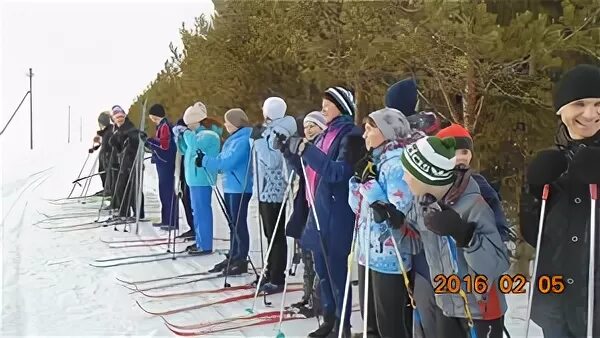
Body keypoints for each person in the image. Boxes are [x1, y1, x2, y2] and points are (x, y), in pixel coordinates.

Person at [394, 136, 509, 338]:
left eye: (408, 173)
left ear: (426, 175)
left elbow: (498, 264)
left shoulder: (473, 204)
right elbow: (412, 245)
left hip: (481, 309)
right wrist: (395, 224)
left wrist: (465, 235)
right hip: (447, 304)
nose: (404, 179)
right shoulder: (423, 203)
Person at [520, 64, 600, 337]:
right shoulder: (550, 162)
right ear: (561, 109)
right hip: (556, 305)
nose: (590, 114)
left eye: (599, 104)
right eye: (580, 103)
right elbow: (534, 235)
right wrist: (533, 190)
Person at [279, 86, 366, 338]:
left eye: (328, 103)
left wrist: (307, 150)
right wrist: (290, 152)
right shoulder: (325, 135)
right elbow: (308, 171)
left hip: (337, 215)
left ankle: (343, 325)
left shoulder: (350, 135)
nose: (323, 108)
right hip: (318, 212)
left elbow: (338, 172)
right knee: (323, 273)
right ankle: (329, 319)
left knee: (337, 273)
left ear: (341, 105)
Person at [348, 107, 422, 338]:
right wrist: (357, 181)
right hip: (368, 252)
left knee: (389, 324)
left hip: (390, 256)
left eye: (369, 129)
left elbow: (394, 214)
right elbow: (357, 208)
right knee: (369, 321)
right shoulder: (376, 159)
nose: (364, 135)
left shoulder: (398, 164)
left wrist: (369, 186)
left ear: (386, 131)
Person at [199, 108, 253, 275]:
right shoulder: (233, 139)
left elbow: (229, 162)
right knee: (233, 224)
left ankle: (241, 259)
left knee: (238, 224)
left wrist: (206, 161)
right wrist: (207, 160)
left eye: (228, 121)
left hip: (240, 187)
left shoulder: (242, 141)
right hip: (231, 186)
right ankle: (234, 254)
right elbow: (222, 159)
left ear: (236, 122)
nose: (225, 124)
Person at [252, 97, 298, 294]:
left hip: (274, 189)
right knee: (269, 234)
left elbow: (272, 161)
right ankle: (271, 271)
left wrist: (258, 142)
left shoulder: (279, 132)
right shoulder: (270, 129)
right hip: (265, 188)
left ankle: (278, 276)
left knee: (274, 235)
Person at [436, 123, 510, 242]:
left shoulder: (476, 182)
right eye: (454, 152)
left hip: (475, 247)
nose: (461, 157)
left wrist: (501, 237)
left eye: (464, 152)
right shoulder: (433, 184)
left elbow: (494, 208)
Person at [284, 111, 327, 316]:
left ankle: (317, 301)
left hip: (318, 210)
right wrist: (288, 153)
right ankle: (307, 295)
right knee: (305, 256)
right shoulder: (305, 148)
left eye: (314, 126)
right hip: (303, 207)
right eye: (307, 127)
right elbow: (299, 170)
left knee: (318, 258)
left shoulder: (322, 148)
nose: (309, 130)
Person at [173, 101, 222, 255]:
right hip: (193, 179)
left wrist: (185, 133)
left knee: (202, 211)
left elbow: (194, 145)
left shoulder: (208, 134)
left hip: (202, 179)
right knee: (196, 212)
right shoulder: (196, 134)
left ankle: (205, 245)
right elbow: (184, 149)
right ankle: (200, 241)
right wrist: (179, 138)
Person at [108, 105, 145, 220]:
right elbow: (119, 147)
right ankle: (124, 212)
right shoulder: (118, 129)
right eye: (117, 118)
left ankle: (139, 212)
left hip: (133, 162)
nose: (119, 119)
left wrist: (133, 139)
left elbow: (135, 140)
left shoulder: (129, 127)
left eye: (121, 117)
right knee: (121, 188)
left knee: (134, 188)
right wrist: (114, 141)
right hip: (124, 163)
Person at [146, 104, 178, 230]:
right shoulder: (161, 126)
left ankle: (171, 221)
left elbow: (164, 146)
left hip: (166, 163)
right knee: (163, 191)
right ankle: (166, 219)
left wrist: (150, 141)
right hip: (162, 163)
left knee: (167, 192)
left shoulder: (164, 126)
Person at [173, 118, 197, 241]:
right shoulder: (179, 140)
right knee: (185, 200)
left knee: (191, 201)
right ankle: (191, 227)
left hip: (190, 175)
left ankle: (196, 228)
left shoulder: (190, 138)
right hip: (182, 174)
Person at [89, 111, 114, 196]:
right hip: (104, 155)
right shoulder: (108, 130)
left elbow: (107, 143)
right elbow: (102, 142)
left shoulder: (109, 131)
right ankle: (106, 188)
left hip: (107, 155)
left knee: (106, 172)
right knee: (102, 171)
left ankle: (108, 189)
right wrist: (94, 147)